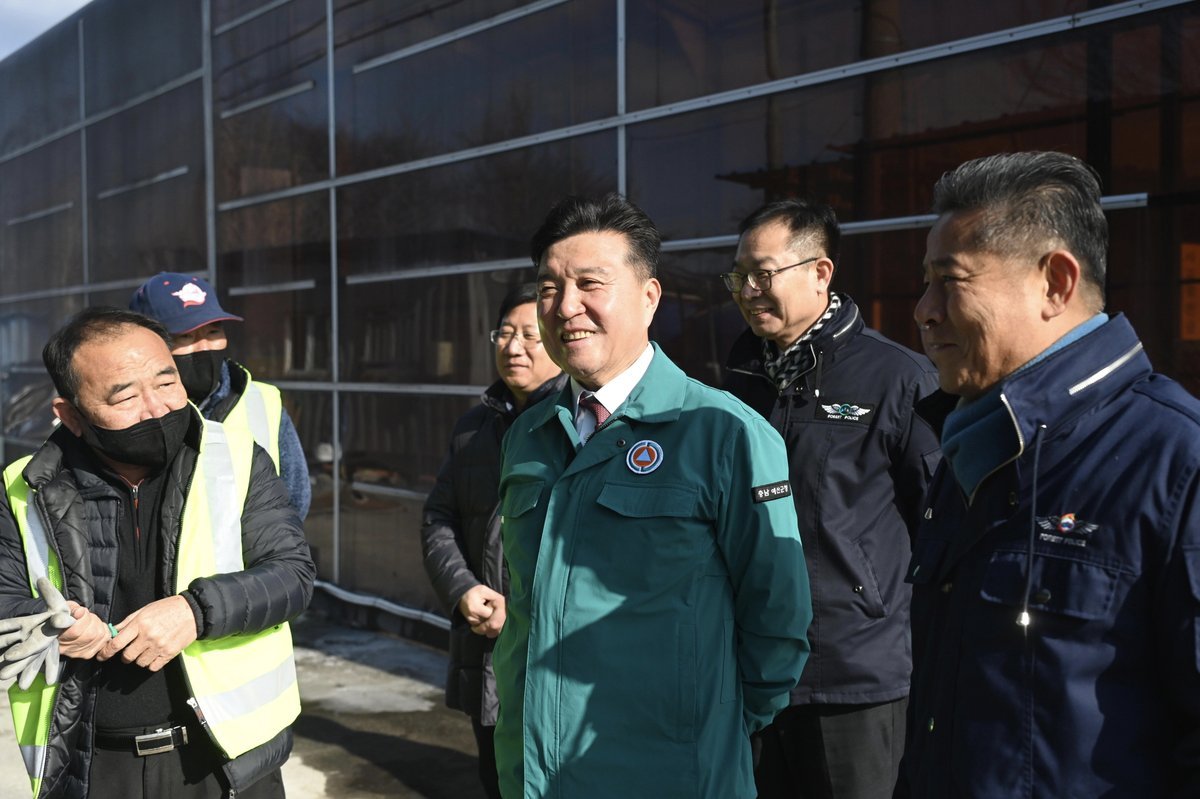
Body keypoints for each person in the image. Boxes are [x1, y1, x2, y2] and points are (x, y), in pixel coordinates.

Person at [897, 151, 1200, 797]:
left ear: (1055, 283)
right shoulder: (975, 445)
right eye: (925, 282)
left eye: (950, 280)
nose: (923, 310)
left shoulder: (1176, 461)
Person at [493, 193, 812, 799]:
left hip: (671, 774)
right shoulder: (528, 436)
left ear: (649, 297)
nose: (566, 307)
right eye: (549, 289)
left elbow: (777, 618)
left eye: (590, 284)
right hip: (535, 773)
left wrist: (711, 728)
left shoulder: (725, 433)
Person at [0, 307, 315, 798]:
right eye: (125, 396)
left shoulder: (235, 457)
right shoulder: (23, 486)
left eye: (167, 382)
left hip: (227, 762)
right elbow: (5, 598)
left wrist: (195, 611)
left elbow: (291, 574)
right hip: (91, 764)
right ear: (71, 415)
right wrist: (48, 623)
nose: (157, 408)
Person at [721, 199, 940, 799]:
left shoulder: (900, 379)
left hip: (854, 677)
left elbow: (939, 526)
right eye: (739, 277)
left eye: (763, 274)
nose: (748, 291)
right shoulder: (737, 382)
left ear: (820, 273)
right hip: (754, 668)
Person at [420, 283, 567, 799]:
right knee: (497, 777)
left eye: (530, 335)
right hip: (486, 644)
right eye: (505, 333)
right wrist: (463, 589)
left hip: (555, 654)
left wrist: (524, 611)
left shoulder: (581, 424)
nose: (513, 347)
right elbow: (438, 518)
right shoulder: (472, 429)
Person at [130, 273, 311, 519]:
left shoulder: (262, 402)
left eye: (214, 332)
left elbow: (295, 501)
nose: (204, 347)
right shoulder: (130, 410)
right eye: (186, 336)